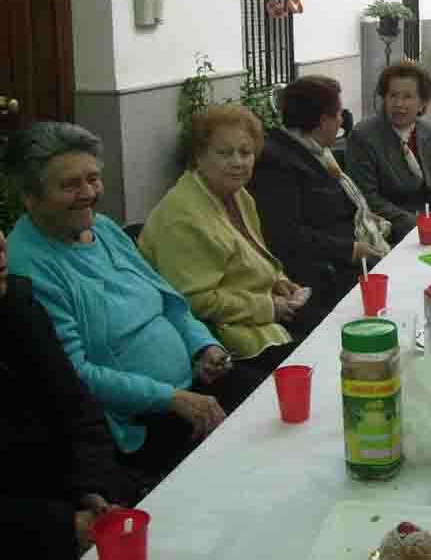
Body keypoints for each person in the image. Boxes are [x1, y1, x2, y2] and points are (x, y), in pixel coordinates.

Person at [4, 122, 252, 477]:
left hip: (193, 385)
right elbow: (78, 376)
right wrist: (172, 398)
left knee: (270, 404)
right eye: (70, 185)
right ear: (31, 197)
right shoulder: (27, 269)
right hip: (141, 420)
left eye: (92, 178)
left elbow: (166, 298)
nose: (88, 192)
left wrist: (204, 346)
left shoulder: (102, 228)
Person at [0, 228, 135, 558]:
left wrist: (92, 488)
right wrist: (62, 526)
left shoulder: (17, 304)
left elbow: (78, 409)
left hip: (71, 500)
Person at [140, 104, 311, 351]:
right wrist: (268, 306)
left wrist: (278, 281)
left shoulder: (238, 195)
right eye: (224, 153)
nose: (238, 162)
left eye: (246, 152)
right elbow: (195, 300)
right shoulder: (182, 217)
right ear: (199, 156)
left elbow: (253, 256)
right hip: (226, 340)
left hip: (262, 318)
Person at [249, 75, 390, 308]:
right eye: (338, 115)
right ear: (323, 121)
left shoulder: (316, 151)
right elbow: (286, 234)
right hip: (324, 272)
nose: (341, 122)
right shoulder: (277, 161)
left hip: (349, 254)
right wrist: (351, 250)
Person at [346, 62, 431, 244]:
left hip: (429, 228)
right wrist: (416, 225)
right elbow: (367, 198)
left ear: (423, 103)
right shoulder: (364, 136)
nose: (399, 104)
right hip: (387, 232)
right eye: (392, 96)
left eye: (408, 97)